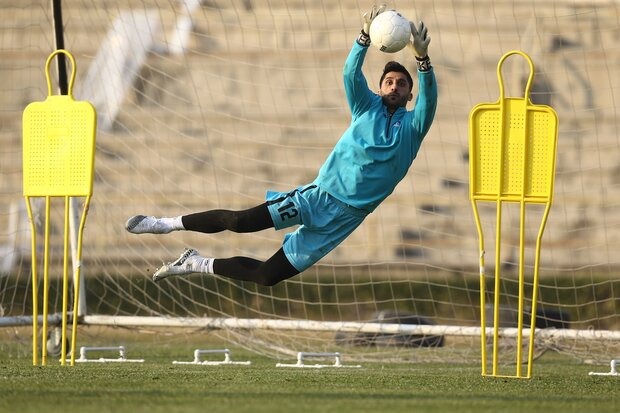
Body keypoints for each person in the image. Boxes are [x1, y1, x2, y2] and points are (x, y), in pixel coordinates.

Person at [125, 4, 437, 286]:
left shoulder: (412, 128)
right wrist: (362, 38)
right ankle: (164, 224)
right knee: (240, 221)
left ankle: (195, 262)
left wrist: (422, 60)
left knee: (267, 276)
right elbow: (349, 73)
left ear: (410, 94)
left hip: (345, 220)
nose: (395, 86)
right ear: (380, 88)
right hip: (317, 198)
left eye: (402, 83)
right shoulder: (365, 107)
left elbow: (430, 100)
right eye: (389, 81)